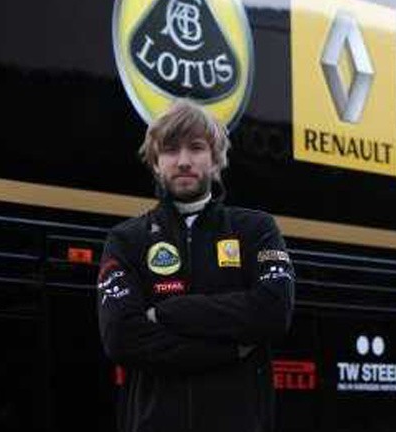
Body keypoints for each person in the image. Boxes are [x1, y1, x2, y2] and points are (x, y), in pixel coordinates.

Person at [97, 98, 295, 432]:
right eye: (171, 150)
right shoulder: (126, 239)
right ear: (156, 163)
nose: (184, 161)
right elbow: (120, 336)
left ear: (216, 159)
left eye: (197, 148)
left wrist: (167, 313)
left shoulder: (257, 230)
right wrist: (231, 350)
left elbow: (274, 311)